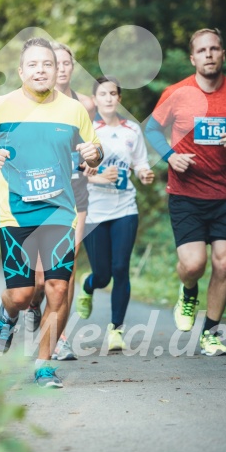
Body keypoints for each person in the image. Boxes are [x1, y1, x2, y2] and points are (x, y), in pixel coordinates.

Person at [0, 37, 102, 388]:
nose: (41, 70)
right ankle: (5, 314)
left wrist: (93, 154)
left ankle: (44, 366)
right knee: (23, 295)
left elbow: (95, 148)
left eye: (48, 64)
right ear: (21, 71)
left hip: (59, 211)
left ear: (58, 71)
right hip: (16, 213)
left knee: (57, 289)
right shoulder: (1, 106)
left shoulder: (74, 110)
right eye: (34, 65)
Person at [145, 28, 226, 356]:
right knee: (195, 264)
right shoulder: (176, 93)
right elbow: (152, 129)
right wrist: (170, 156)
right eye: (202, 50)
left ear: (222, 54)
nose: (209, 54)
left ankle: (210, 332)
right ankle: (188, 289)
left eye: (215, 49)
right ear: (193, 58)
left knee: (225, 264)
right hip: (186, 193)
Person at [25, 42, 96, 361]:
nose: (63, 68)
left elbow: (93, 145)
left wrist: (92, 159)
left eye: (68, 63)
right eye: (58, 62)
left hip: (75, 195)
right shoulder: (33, 105)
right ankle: (32, 307)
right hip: (41, 196)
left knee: (67, 266)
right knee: (39, 277)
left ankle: (59, 337)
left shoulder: (86, 105)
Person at [76, 76, 154, 350]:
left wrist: (144, 173)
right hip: (94, 211)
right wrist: (98, 177)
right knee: (103, 275)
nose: (108, 98)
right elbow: (76, 172)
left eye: (113, 93)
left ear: (119, 98)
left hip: (124, 208)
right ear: (95, 99)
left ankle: (116, 330)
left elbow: (140, 162)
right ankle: (88, 285)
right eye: (103, 94)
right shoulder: (87, 130)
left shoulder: (131, 129)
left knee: (121, 268)